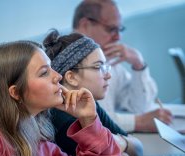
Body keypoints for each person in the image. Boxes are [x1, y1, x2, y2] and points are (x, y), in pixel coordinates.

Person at [0, 40, 126, 156]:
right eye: (44, 72)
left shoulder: (35, 137)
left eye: (51, 68)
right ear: (15, 92)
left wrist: (89, 121)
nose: (57, 76)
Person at [43, 29, 143, 156]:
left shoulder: (88, 104)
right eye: (98, 67)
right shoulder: (64, 121)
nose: (108, 75)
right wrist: (119, 143)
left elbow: (138, 149)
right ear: (71, 77)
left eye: (106, 67)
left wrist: (118, 141)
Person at [72, 0, 173, 132]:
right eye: (111, 29)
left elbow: (137, 106)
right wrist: (140, 122)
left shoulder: (107, 60)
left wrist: (138, 65)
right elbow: (92, 120)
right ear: (85, 25)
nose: (118, 37)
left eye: (120, 29)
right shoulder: (69, 62)